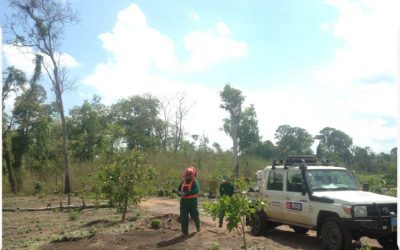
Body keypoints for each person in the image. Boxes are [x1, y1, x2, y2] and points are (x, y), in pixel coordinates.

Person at [177, 166, 201, 236]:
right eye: (186, 174)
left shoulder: (194, 182)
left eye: (189, 175)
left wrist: (186, 193)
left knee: (194, 215)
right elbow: (178, 189)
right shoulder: (182, 182)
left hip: (192, 202)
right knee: (183, 217)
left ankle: (198, 227)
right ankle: (184, 232)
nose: (187, 176)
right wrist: (179, 193)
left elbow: (196, 190)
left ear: (192, 175)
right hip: (183, 202)